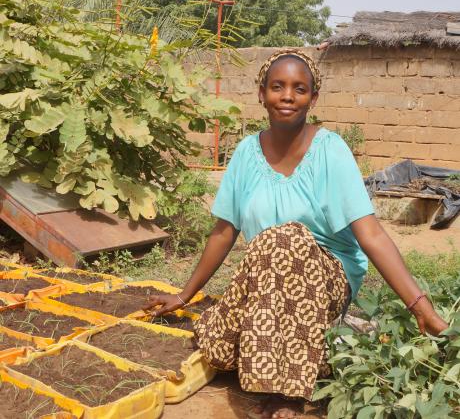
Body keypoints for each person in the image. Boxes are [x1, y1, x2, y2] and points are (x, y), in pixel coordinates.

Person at [145, 48, 448, 419]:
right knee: (219, 350)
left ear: (312, 98)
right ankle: (304, 355)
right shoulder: (244, 153)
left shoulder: (330, 151)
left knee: (284, 238)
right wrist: (184, 293)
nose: (287, 96)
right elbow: (224, 231)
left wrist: (421, 307)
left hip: (327, 278)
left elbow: (371, 233)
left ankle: (284, 395)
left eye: (299, 89)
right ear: (261, 93)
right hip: (265, 275)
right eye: (277, 86)